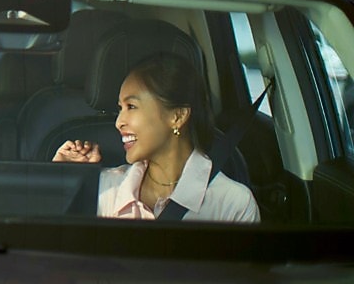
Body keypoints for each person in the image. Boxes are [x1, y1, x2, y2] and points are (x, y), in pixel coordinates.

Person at [53, 51, 259, 222]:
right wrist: (65, 181)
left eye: (131, 106)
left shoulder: (233, 204)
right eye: (120, 108)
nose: (118, 122)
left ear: (177, 116)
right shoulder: (104, 188)